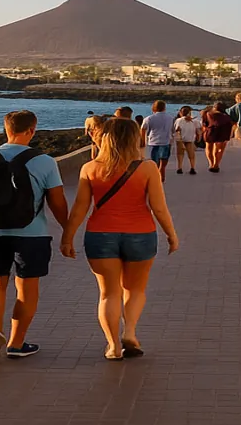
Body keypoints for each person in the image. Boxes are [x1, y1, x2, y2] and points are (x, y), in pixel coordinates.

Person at [61, 119, 179, 361]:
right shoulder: (147, 168)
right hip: (140, 234)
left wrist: (67, 237)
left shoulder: (91, 168)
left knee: (108, 294)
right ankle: (131, 332)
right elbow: (159, 207)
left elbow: (80, 209)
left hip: (100, 234)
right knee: (135, 289)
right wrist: (171, 234)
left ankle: (113, 346)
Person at [0, 110, 69, 361]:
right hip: (32, 234)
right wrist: (67, 231)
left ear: (6, 129)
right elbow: (57, 202)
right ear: (32, 130)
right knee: (26, 288)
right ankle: (16, 344)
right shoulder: (44, 162)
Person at [142, 100, 174, 182]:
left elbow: (143, 128)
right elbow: (172, 130)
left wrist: (143, 139)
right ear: (164, 108)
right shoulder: (170, 118)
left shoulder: (149, 118)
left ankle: (155, 177)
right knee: (163, 161)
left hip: (153, 141)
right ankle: (162, 175)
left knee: (154, 161)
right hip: (166, 141)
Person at [203, 102, 235, 172]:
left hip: (210, 132)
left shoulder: (208, 114)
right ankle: (216, 164)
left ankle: (211, 164)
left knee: (208, 148)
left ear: (214, 107)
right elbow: (230, 125)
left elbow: (204, 124)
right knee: (219, 150)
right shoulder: (227, 117)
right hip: (223, 133)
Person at [173, 106, 199, 175]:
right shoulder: (194, 121)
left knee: (180, 154)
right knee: (191, 155)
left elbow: (177, 130)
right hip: (190, 138)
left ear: (181, 113)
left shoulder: (179, 120)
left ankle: (180, 168)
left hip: (180, 139)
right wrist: (198, 138)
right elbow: (198, 130)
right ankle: (192, 167)